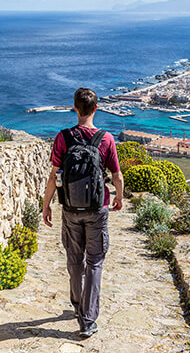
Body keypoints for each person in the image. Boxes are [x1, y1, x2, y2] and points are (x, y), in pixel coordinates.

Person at [42, 87, 124, 338]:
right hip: (98, 208)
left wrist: (46, 204)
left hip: (70, 208)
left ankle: (77, 304)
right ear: (96, 108)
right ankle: (88, 320)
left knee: (74, 259)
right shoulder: (106, 139)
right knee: (95, 261)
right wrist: (119, 196)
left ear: (75, 108)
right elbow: (117, 174)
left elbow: (54, 176)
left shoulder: (63, 138)